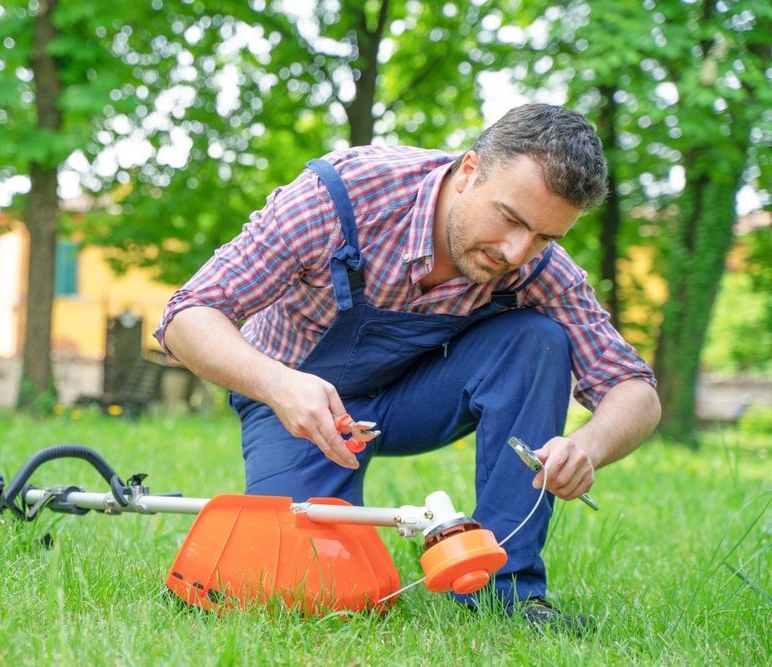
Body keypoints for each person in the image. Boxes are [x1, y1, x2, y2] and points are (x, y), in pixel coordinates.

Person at [154, 103, 661, 631]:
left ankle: (505, 595)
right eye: (510, 219)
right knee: (306, 588)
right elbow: (186, 316)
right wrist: (278, 384)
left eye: (544, 237)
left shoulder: (535, 265)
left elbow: (635, 388)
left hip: (411, 400)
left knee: (537, 339)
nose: (517, 251)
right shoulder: (340, 197)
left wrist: (587, 448)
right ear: (469, 171)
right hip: (294, 404)